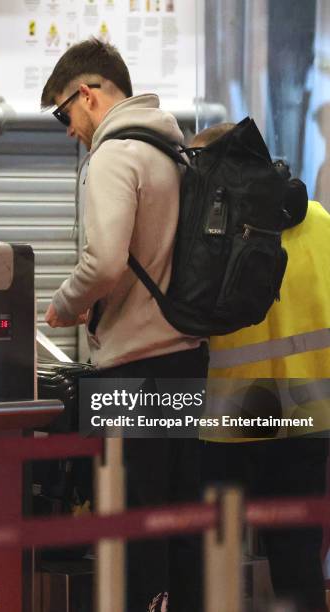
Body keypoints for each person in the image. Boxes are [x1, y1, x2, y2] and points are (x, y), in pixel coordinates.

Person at [41, 38, 208, 611]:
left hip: (131, 373)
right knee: (179, 520)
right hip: (188, 359)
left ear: (87, 95)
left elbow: (105, 261)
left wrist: (66, 302)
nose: (68, 130)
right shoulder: (173, 149)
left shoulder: (113, 154)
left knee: (133, 525)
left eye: (65, 114)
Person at [191, 124, 330, 612]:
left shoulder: (212, 229)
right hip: (310, 413)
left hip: (233, 415)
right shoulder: (320, 220)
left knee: (213, 556)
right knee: (298, 559)